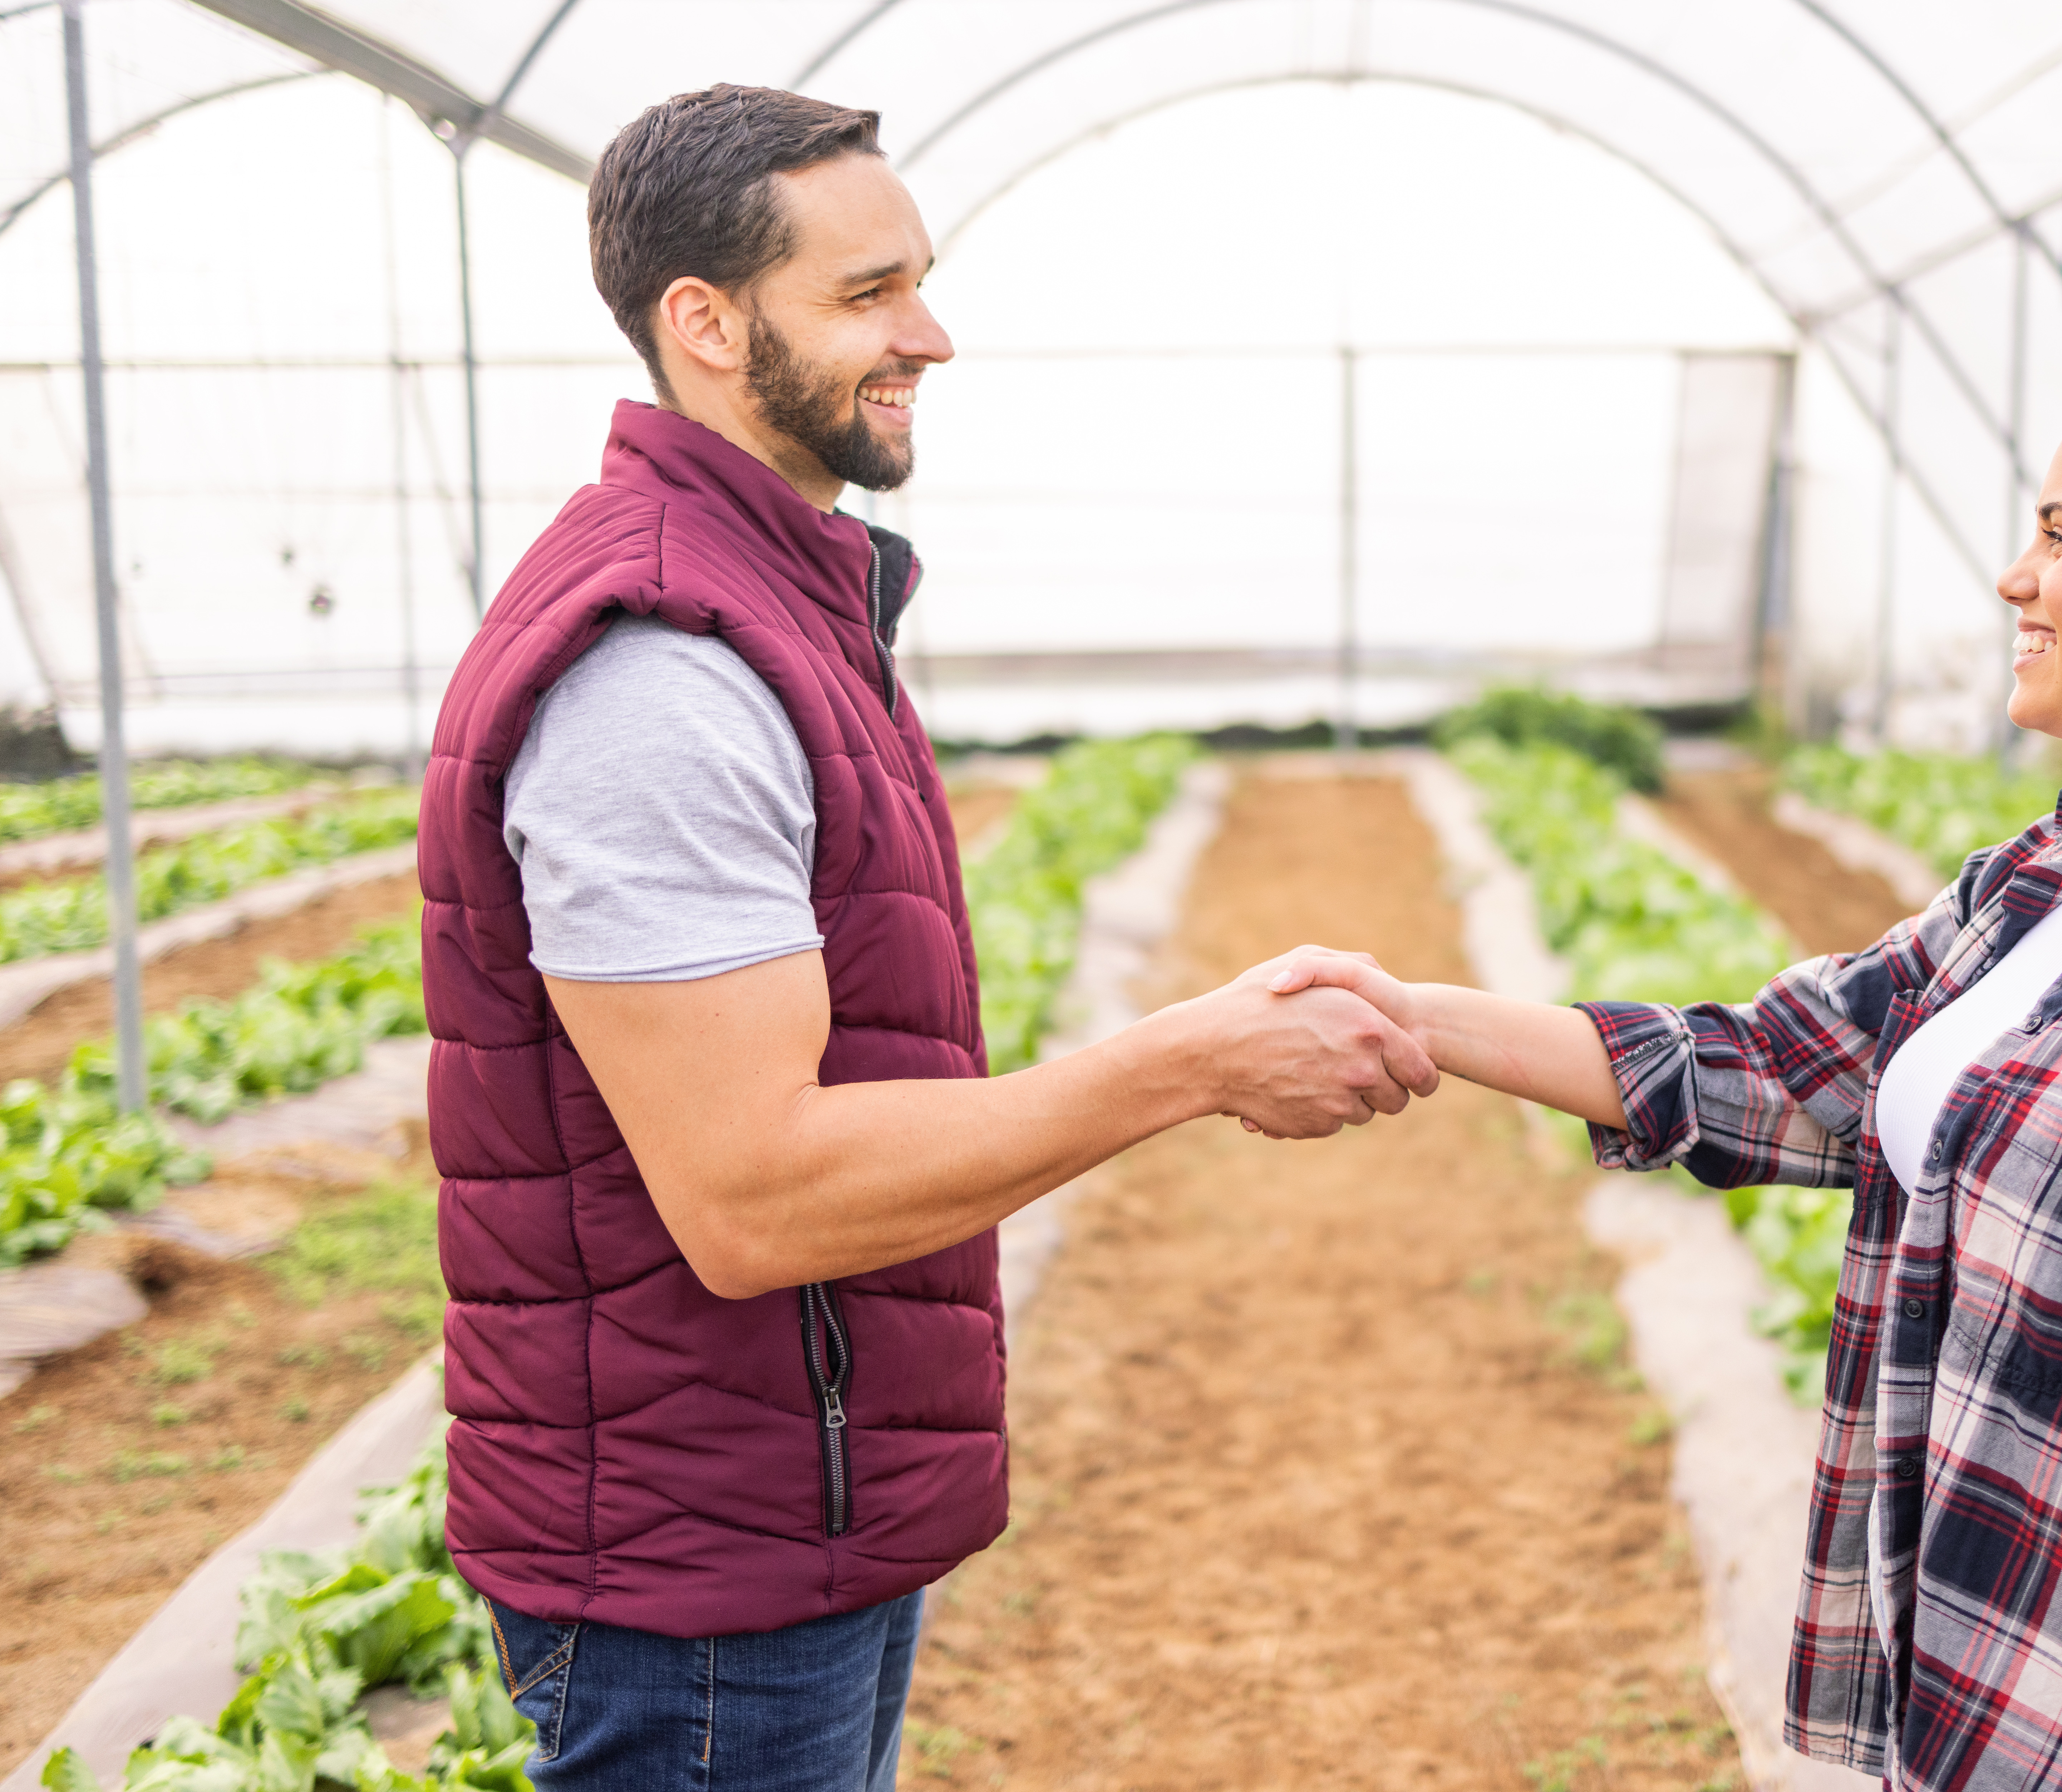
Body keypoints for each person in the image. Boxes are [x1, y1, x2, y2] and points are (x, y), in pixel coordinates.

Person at [1270, 357, 2062, 1791]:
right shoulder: (2051, 883)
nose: (2017, 579)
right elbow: (1775, 1069)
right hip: (1968, 1720)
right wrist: (1409, 1014)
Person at [419, 85, 1436, 1792]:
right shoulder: (662, 673)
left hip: (778, 1514)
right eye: (868, 292)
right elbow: (757, 1198)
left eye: (922, 280)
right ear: (707, 324)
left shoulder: (781, 604)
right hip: (701, 1575)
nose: (929, 335)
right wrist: (1187, 1060)